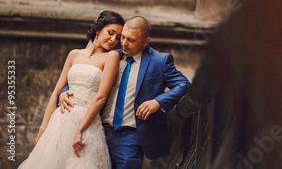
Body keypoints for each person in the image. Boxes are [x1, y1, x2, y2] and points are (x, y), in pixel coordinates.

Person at [59, 16, 191, 169]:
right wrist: (64, 91)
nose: (123, 43)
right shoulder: (111, 55)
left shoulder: (159, 61)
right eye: (122, 37)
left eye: (131, 40)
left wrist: (158, 101)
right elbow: (82, 76)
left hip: (130, 138)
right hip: (97, 132)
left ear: (145, 41)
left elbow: (184, 84)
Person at [19, 10, 125, 169]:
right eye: (110, 33)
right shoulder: (74, 54)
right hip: (61, 119)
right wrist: (43, 128)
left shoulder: (111, 57)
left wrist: (80, 130)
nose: (113, 40)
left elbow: (101, 97)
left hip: (86, 123)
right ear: (98, 30)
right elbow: (56, 92)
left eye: (118, 37)